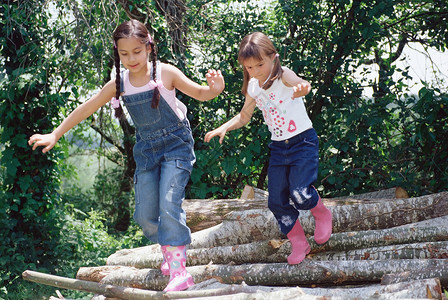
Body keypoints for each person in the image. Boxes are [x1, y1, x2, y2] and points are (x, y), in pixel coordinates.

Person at [28, 19, 224, 291]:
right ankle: (170, 249)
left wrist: (215, 89)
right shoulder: (119, 83)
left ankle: (180, 271)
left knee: (169, 204)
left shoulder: (165, 73)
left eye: (137, 51)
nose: (131, 58)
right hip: (146, 151)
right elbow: (87, 107)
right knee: (145, 216)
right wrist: (56, 133)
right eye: (124, 53)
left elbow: (201, 93)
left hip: (176, 146)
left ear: (149, 46)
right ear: (117, 53)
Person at [204, 32, 331, 265]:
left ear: (274, 57)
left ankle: (322, 212)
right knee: (275, 202)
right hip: (279, 149)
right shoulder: (253, 86)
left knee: (300, 193)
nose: (256, 71)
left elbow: (302, 83)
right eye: (249, 67)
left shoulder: (283, 76)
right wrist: (223, 127)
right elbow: (244, 117)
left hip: (302, 142)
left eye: (260, 64)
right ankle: (299, 242)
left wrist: (303, 88)